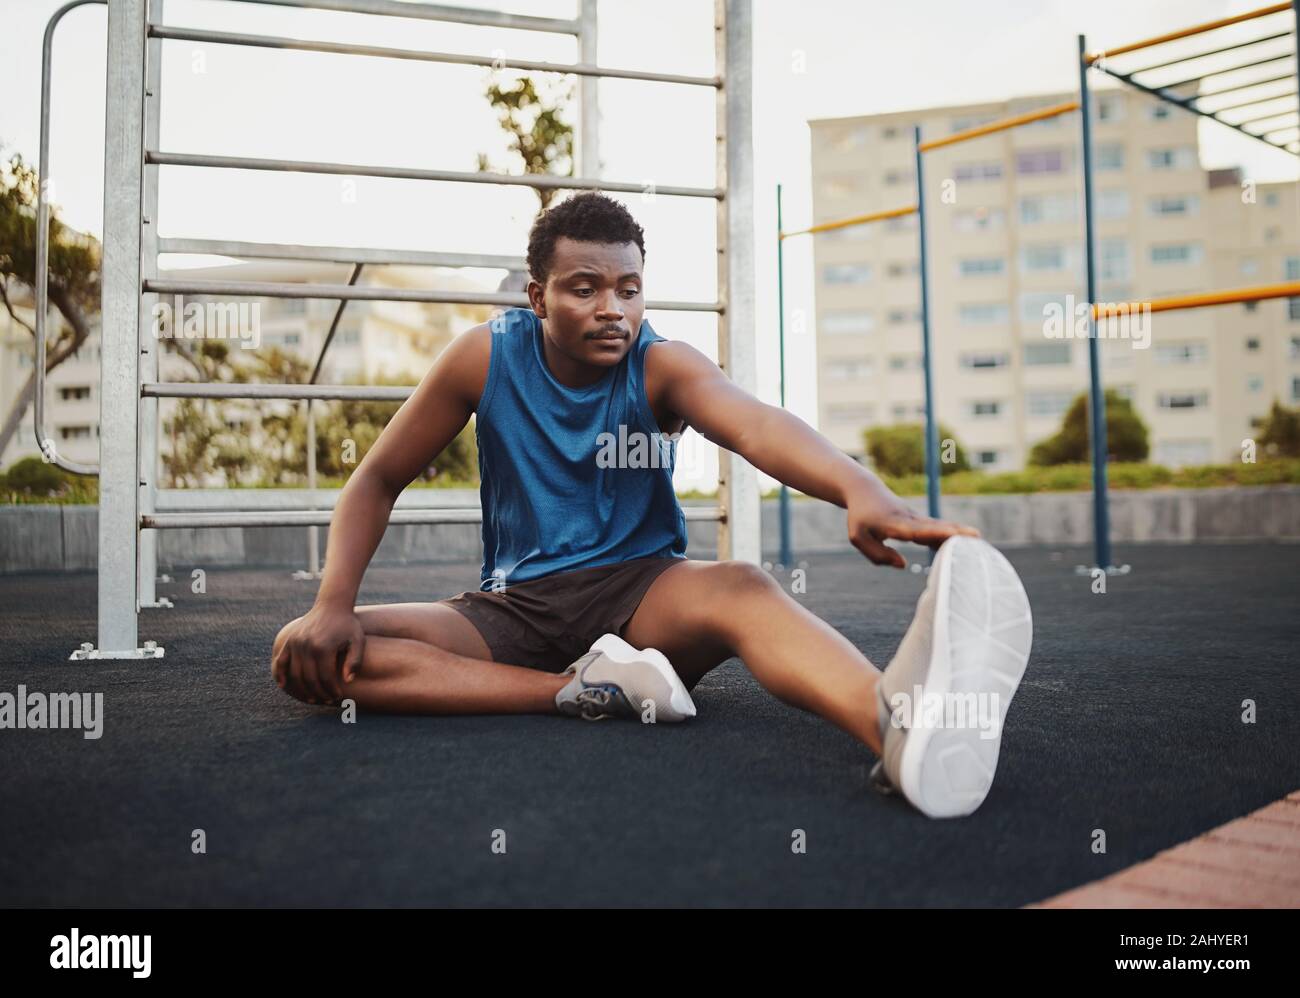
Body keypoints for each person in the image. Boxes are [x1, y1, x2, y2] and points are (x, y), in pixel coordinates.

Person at [271, 191, 1033, 818]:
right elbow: (375, 479)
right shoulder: (485, 355)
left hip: (641, 599)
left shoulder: (661, 366)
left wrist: (860, 489)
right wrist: (334, 601)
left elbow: (756, 423)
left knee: (739, 586)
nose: (614, 309)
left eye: (628, 289)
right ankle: (581, 691)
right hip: (512, 608)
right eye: (585, 288)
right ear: (538, 297)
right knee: (312, 651)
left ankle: (898, 726)